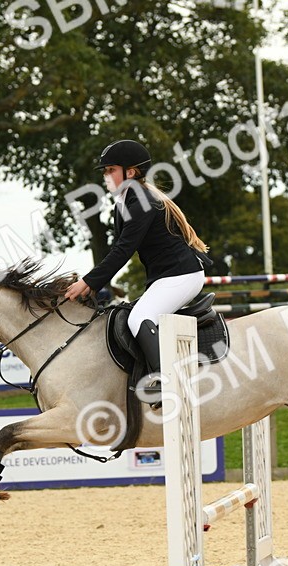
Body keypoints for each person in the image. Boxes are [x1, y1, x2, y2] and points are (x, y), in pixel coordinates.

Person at [64, 139, 209, 401]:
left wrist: (89, 282)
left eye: (111, 170)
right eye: (105, 171)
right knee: (127, 315)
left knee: (139, 318)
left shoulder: (140, 201)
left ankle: (168, 382)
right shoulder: (124, 202)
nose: (106, 176)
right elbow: (116, 249)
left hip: (181, 276)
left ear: (130, 172)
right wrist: (93, 283)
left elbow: (123, 251)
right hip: (168, 277)